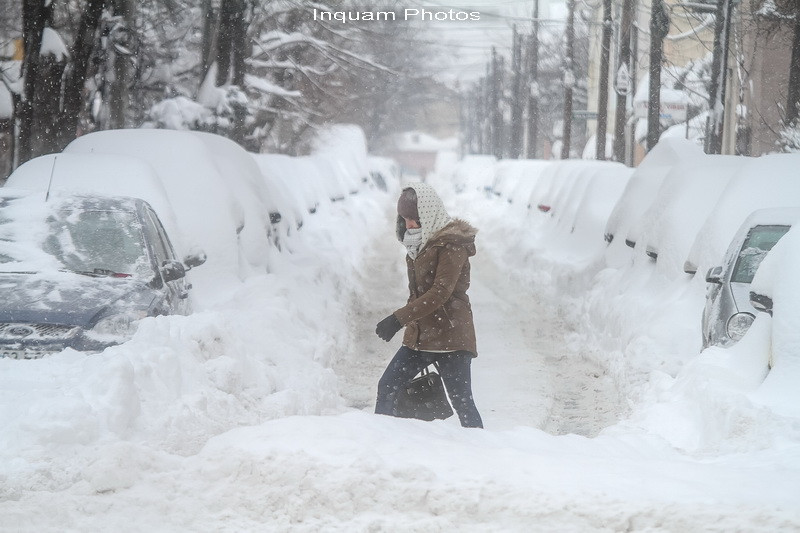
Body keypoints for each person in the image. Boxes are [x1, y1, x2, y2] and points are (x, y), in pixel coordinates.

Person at [374, 183, 483, 428]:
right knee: (387, 386)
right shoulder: (417, 244)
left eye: (413, 218)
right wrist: (410, 326)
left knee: (463, 403)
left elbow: (440, 292)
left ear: (428, 213)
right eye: (404, 219)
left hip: (451, 337)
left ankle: (482, 449)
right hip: (421, 337)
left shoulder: (452, 245)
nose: (409, 225)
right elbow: (418, 294)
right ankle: (381, 440)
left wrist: (398, 319)